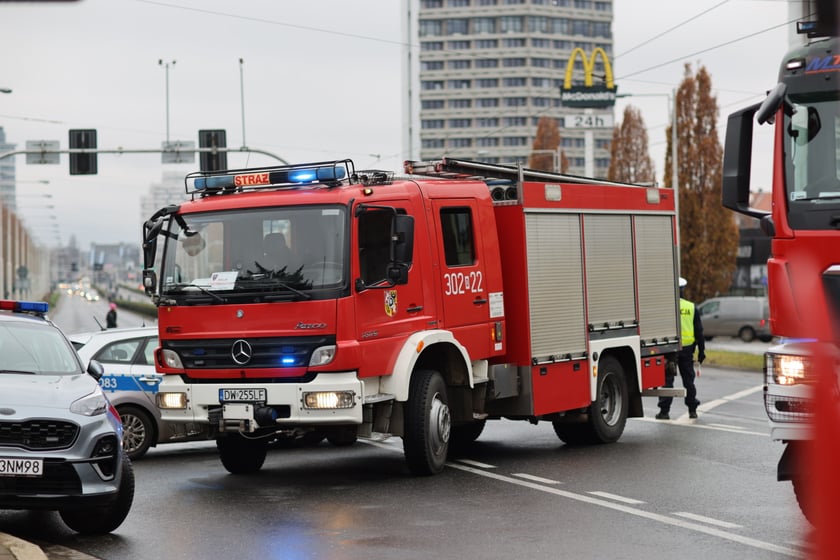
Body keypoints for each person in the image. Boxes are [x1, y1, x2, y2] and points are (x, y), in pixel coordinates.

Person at [657, 277, 705, 420]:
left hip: (670, 350)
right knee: (688, 381)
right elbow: (699, 332)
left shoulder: (666, 307)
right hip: (687, 350)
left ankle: (664, 412)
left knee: (667, 380)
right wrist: (701, 351)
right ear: (683, 290)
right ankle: (692, 410)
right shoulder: (691, 308)